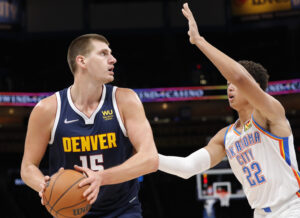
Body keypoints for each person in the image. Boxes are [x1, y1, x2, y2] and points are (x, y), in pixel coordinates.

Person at [159, 3, 300, 218]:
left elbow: (240, 77)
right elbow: (187, 168)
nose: (230, 87)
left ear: (255, 89)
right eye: (227, 84)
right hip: (260, 213)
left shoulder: (270, 113)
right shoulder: (226, 137)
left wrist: (199, 41)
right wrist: (151, 158)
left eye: (233, 83)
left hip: (292, 208)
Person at [20, 33, 159, 217]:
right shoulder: (47, 109)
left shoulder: (125, 100)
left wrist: (100, 178)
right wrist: (46, 187)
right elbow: (28, 167)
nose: (113, 59)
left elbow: (150, 159)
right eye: (103, 53)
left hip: (122, 210)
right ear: (82, 61)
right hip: (71, 211)